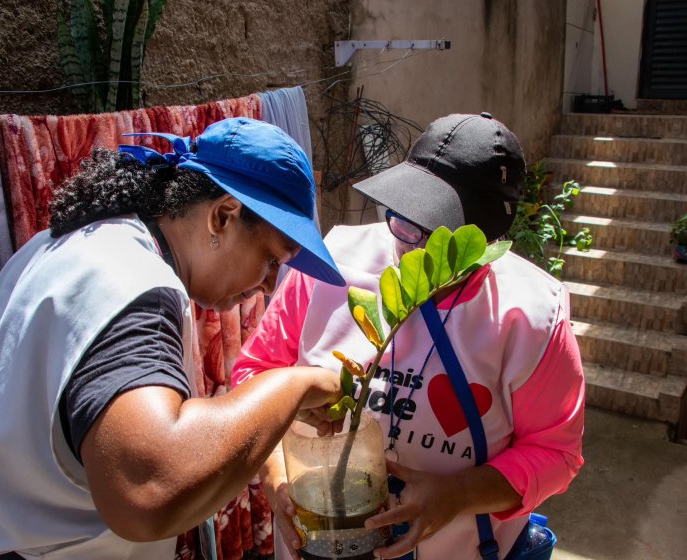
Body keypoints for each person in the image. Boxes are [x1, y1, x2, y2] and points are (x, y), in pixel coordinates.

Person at [0, 118, 346, 559]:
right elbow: (149, 493)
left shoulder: (57, 244)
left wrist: (33, 461)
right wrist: (293, 384)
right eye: (271, 260)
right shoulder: (136, 286)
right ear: (223, 216)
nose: (269, 285)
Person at [232, 113, 585, 559]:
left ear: (485, 238)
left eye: (433, 232)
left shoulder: (532, 315)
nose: (407, 243)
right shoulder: (330, 264)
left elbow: (556, 453)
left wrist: (457, 494)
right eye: (401, 218)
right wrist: (277, 479)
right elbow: (255, 374)